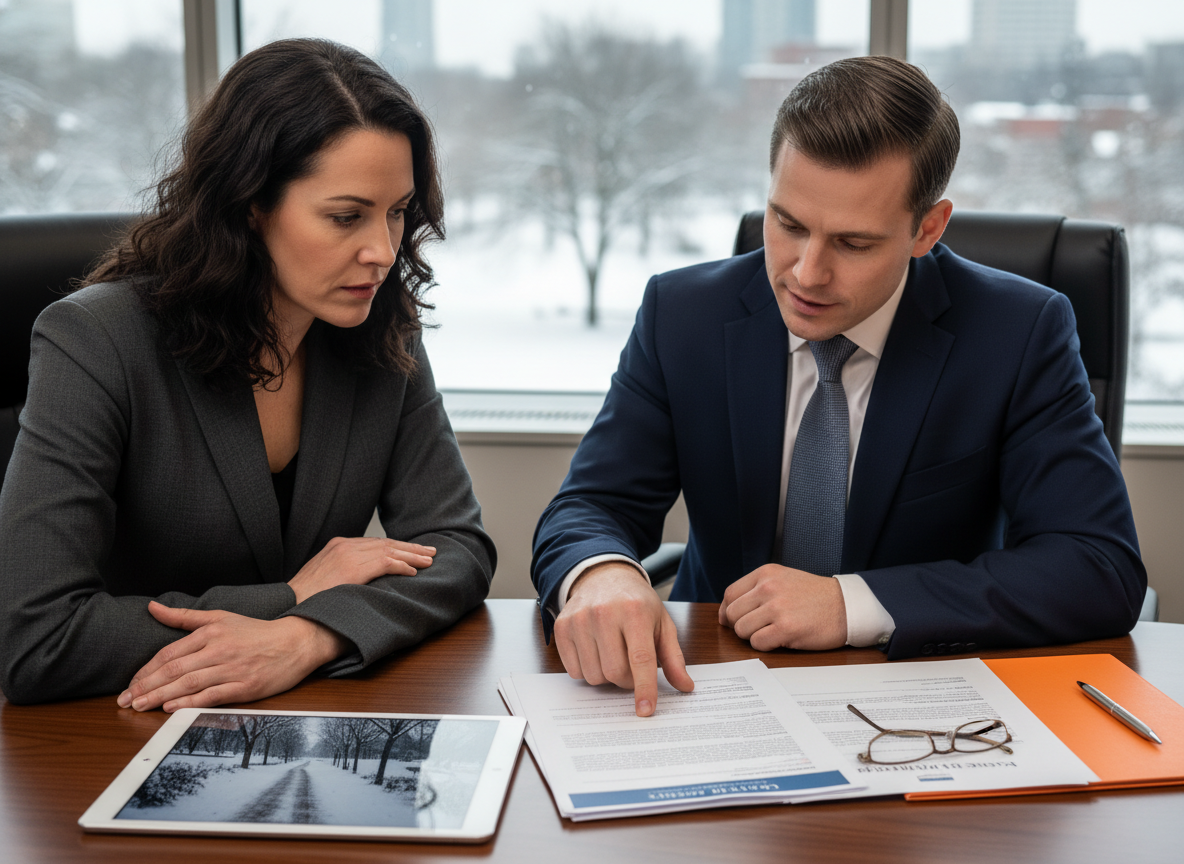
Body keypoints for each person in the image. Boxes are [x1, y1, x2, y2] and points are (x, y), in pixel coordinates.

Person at [531, 56, 1145, 717]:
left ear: (927, 230)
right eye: (788, 224)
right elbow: (590, 506)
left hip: (922, 703)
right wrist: (601, 573)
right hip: (716, 687)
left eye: (853, 243)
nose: (806, 273)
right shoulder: (684, 315)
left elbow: (1098, 567)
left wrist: (851, 605)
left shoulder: (1018, 333)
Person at [0, 39, 495, 710]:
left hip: (304, 715)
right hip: (119, 735)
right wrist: (290, 598)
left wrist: (307, 636)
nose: (382, 251)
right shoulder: (96, 341)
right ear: (249, 205)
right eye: (346, 216)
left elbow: (456, 549)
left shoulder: (379, 329)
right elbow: (36, 638)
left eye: (398, 211)